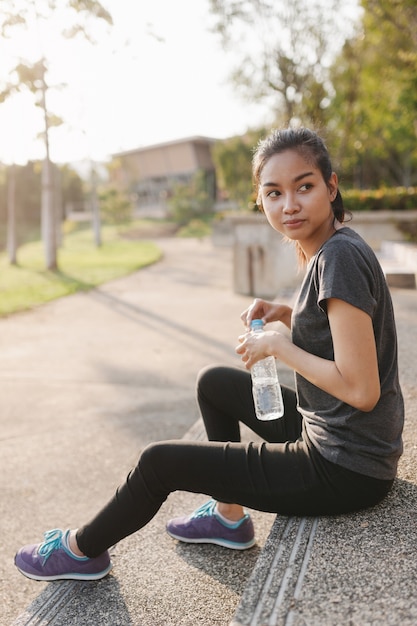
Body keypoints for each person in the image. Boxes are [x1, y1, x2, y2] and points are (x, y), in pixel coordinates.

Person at [15, 127, 404, 582]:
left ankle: (80, 552)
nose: (290, 205)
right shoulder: (333, 249)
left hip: (344, 467)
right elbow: (347, 335)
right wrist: (288, 315)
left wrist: (280, 345)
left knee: (159, 462)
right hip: (343, 441)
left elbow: (361, 390)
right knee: (214, 383)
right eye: (274, 193)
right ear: (260, 201)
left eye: (305, 186)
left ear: (330, 186)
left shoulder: (338, 258)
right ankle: (228, 517)